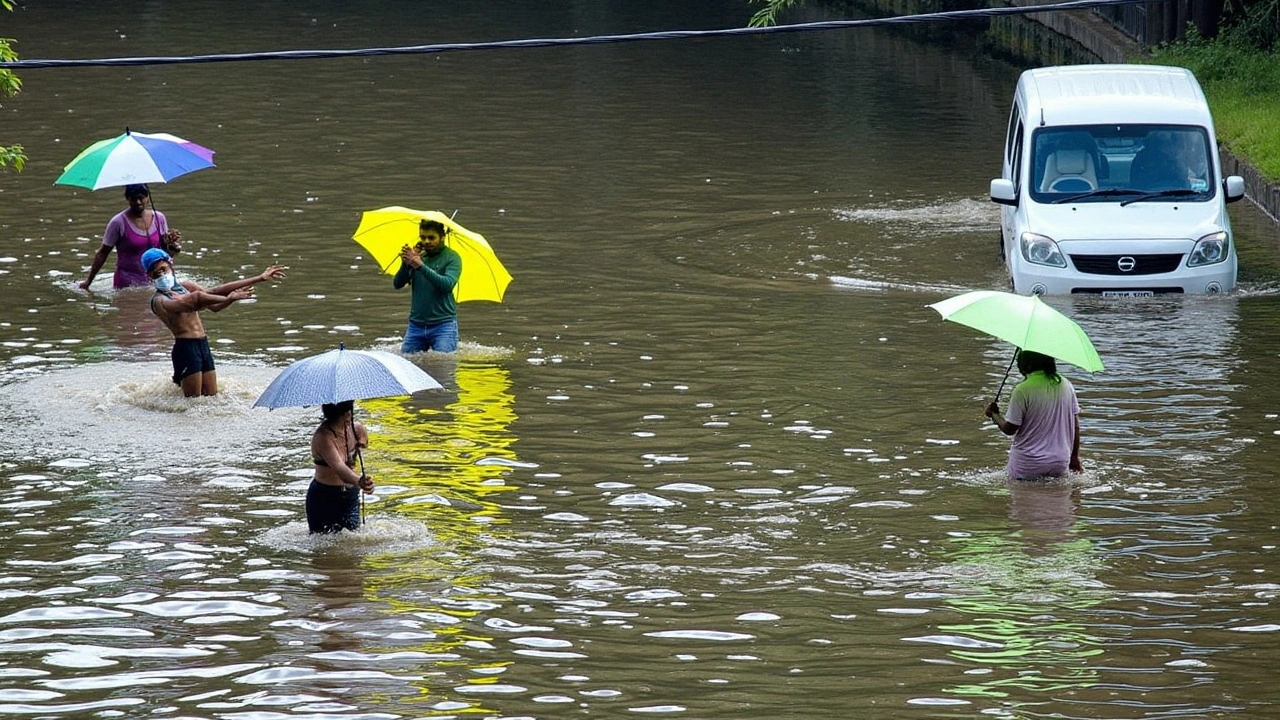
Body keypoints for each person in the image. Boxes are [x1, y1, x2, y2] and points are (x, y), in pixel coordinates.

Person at [142, 248, 287, 397]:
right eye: (156, 274)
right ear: (150, 277)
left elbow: (214, 297)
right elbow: (192, 303)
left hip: (203, 344)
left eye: (163, 269)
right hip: (186, 349)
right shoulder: (158, 300)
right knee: (192, 402)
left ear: (170, 265)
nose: (162, 275)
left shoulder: (186, 287)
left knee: (211, 398)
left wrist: (259, 278)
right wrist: (229, 299)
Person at [984, 350, 1083, 480]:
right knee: (1058, 498)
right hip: (1060, 461)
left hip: (1027, 463)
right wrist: (1074, 457)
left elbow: (1010, 429)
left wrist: (995, 415)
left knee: (1022, 497)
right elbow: (1075, 425)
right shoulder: (1066, 385)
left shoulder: (1022, 390)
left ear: (1026, 365)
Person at [80, 184, 183, 290]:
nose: (138, 202)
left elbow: (165, 254)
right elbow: (103, 253)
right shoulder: (118, 222)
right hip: (128, 284)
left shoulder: (159, 218)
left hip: (156, 281)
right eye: (133, 199)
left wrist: (173, 247)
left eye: (141, 198)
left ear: (147, 197)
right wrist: (88, 281)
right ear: (127, 199)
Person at [393, 219, 462, 353]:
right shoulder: (418, 256)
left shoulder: (452, 258)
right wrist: (406, 263)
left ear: (442, 237)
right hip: (416, 324)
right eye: (423, 237)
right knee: (407, 363)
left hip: (443, 324)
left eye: (431, 238)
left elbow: (447, 285)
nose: (426, 242)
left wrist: (420, 266)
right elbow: (397, 284)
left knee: (443, 366)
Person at [307, 400, 375, 534]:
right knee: (322, 546)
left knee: (353, 543)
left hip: (350, 496)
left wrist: (361, 441)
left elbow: (364, 444)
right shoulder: (323, 436)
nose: (348, 417)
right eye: (343, 415)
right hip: (324, 497)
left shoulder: (357, 429)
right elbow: (339, 467)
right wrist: (359, 481)